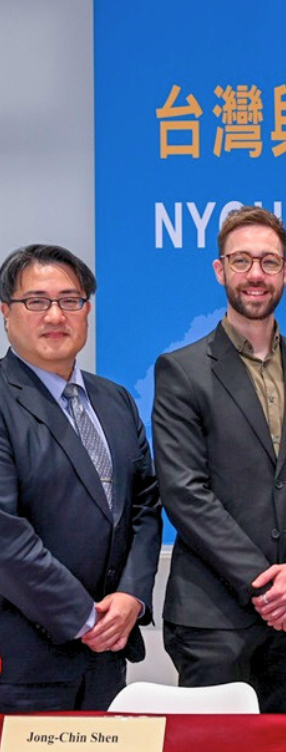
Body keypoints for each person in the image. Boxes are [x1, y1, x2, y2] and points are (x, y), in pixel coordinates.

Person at [152, 206, 286, 714]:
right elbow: (184, 492)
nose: (255, 274)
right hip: (214, 618)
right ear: (220, 270)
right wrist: (266, 585)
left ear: (285, 272)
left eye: (268, 261)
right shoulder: (182, 371)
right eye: (242, 261)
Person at [0, 244, 162, 711]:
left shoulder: (115, 400)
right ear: (7, 313)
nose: (55, 315)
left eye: (70, 301)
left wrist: (131, 595)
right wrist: (83, 617)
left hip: (108, 659)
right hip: (25, 659)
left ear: (87, 311)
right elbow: (6, 537)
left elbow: (145, 508)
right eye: (37, 301)